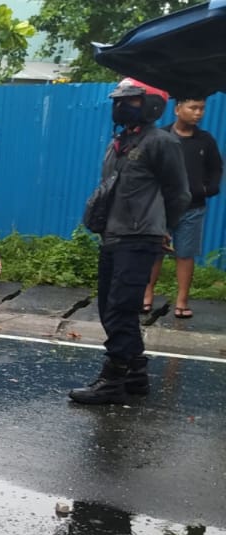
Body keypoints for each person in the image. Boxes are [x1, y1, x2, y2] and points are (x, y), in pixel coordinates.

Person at [70, 78, 189, 405]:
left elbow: (179, 194)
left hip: (139, 238)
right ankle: (135, 373)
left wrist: (164, 227)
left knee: (122, 307)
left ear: (151, 104)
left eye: (132, 101)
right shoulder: (119, 143)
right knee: (110, 307)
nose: (122, 106)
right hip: (112, 235)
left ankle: (113, 379)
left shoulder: (162, 143)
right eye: (119, 100)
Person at [142, 96, 222, 319]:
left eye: (202, 109)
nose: (198, 113)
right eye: (193, 108)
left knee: (185, 254)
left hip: (193, 208)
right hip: (161, 207)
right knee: (155, 251)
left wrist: (208, 189)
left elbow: (216, 167)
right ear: (178, 109)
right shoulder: (162, 137)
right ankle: (147, 295)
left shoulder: (205, 140)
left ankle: (182, 301)